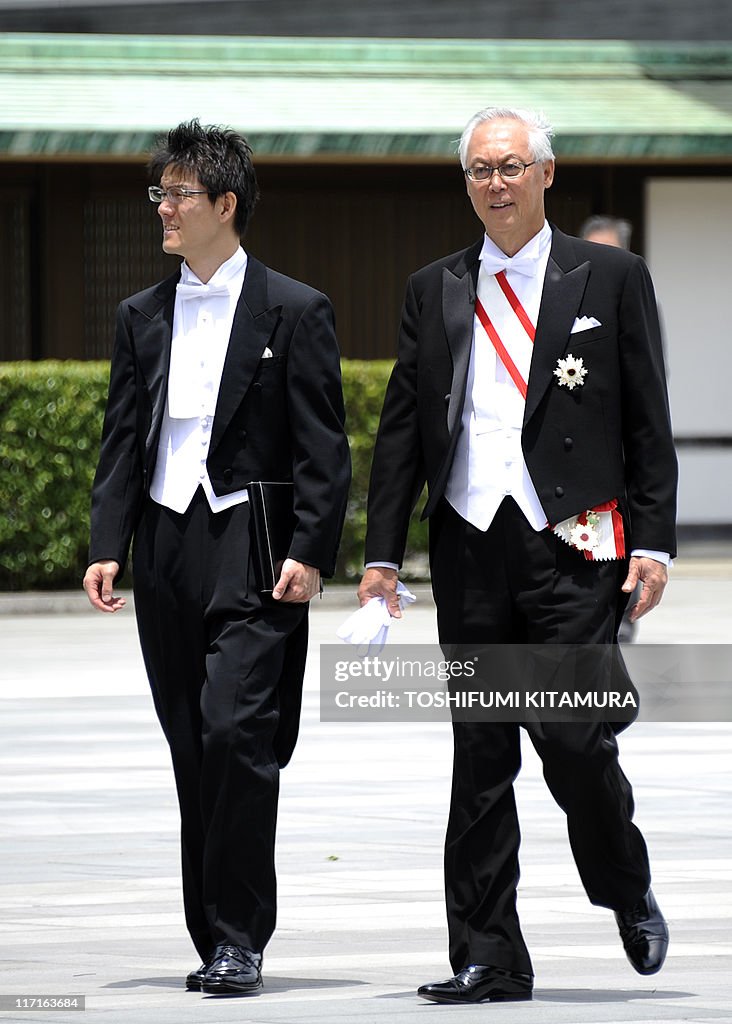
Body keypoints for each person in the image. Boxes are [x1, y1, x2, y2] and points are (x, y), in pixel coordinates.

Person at [358, 107, 676, 1004]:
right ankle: (489, 954)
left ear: (545, 174)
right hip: (468, 548)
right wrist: (384, 556)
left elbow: (648, 418)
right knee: (481, 754)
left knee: (575, 739)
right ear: (466, 184)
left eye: (510, 166)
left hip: (571, 548)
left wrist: (651, 542)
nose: (495, 183)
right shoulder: (436, 286)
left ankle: (624, 883)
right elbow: (401, 437)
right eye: (479, 170)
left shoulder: (609, 276)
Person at [83, 120, 350, 996]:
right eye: (158, 193)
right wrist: (106, 545)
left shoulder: (297, 308)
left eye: (178, 194)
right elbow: (125, 438)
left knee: (240, 734)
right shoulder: (141, 315)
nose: (163, 207)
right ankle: (214, 938)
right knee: (192, 746)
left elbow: (324, 446)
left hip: (256, 545)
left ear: (225, 205)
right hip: (165, 545)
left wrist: (313, 551)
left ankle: (241, 937)